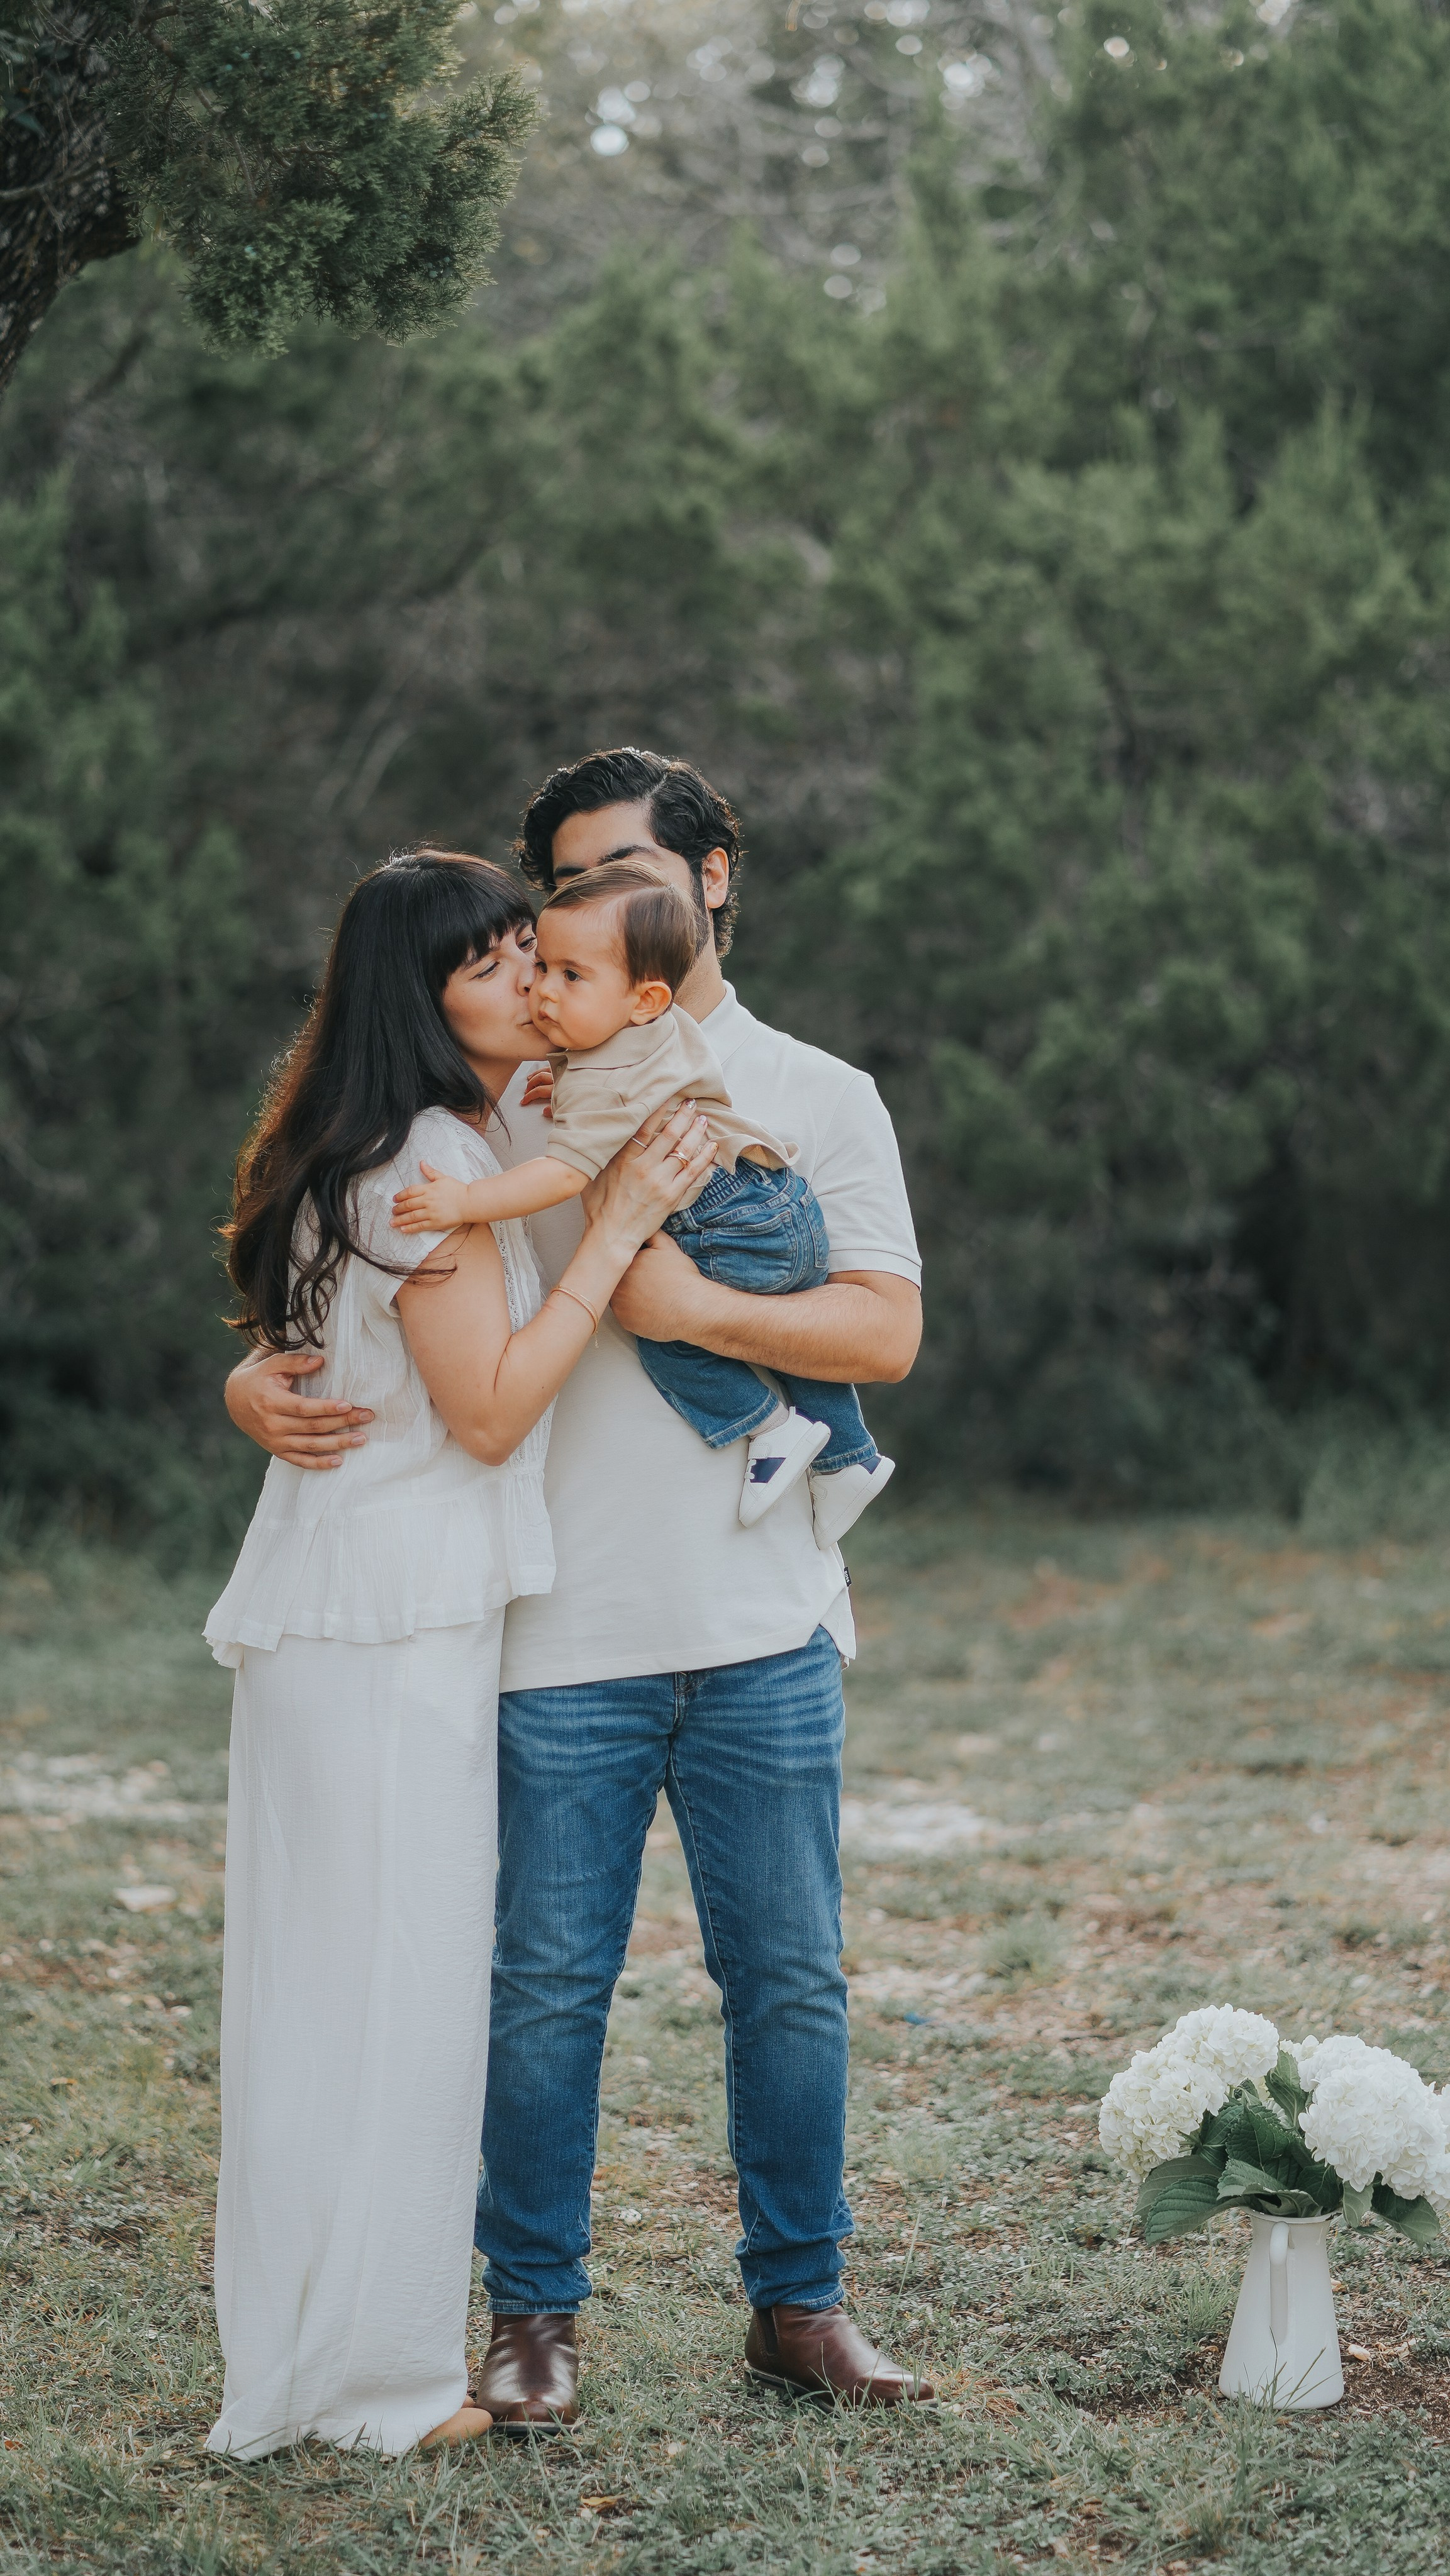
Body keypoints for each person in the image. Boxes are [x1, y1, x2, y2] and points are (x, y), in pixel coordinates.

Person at [226, 750, 930, 2422]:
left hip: (763, 1621)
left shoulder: (810, 1094)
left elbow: (885, 1335)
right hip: (552, 1633)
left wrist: (683, 1306)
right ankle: (533, 2317)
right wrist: (254, 1382)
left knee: (791, 1979)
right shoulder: (500, 1092)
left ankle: (801, 2302)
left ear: (707, 888)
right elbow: (370, 1288)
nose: (557, 942)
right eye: (549, 899)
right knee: (542, 1989)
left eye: (612, 880)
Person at [205, 850, 713, 2459]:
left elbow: (322, 1360)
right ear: (418, 1000)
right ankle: (368, 2382)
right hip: (385, 1626)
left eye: (529, 950)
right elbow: (489, 1415)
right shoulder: (420, 1151)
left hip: (367, 1607)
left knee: (342, 1990)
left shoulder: (441, 1138)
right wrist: (616, 1220)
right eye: (494, 959)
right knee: (390, 1992)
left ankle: (334, 2358)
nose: (526, 978)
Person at [391, 857, 894, 1545]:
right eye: (546, 960)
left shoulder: (618, 1071)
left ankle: (769, 1429)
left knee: (656, 1324)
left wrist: (466, 1201)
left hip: (722, 1218)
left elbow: (564, 1173)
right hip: (774, 1200)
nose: (540, 987)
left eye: (564, 972)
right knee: (778, 1310)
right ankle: (847, 1454)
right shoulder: (629, 1035)